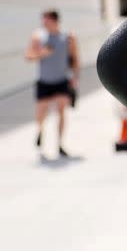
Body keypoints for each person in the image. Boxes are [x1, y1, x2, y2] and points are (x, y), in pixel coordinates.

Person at [25, 10, 79, 157]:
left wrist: (75, 77)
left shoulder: (68, 37)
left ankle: (60, 144)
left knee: (61, 111)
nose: (43, 23)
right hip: (44, 82)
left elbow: (74, 58)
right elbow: (28, 56)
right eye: (43, 21)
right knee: (41, 114)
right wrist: (42, 53)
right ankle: (40, 131)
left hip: (61, 81)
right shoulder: (38, 37)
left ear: (55, 21)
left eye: (46, 20)